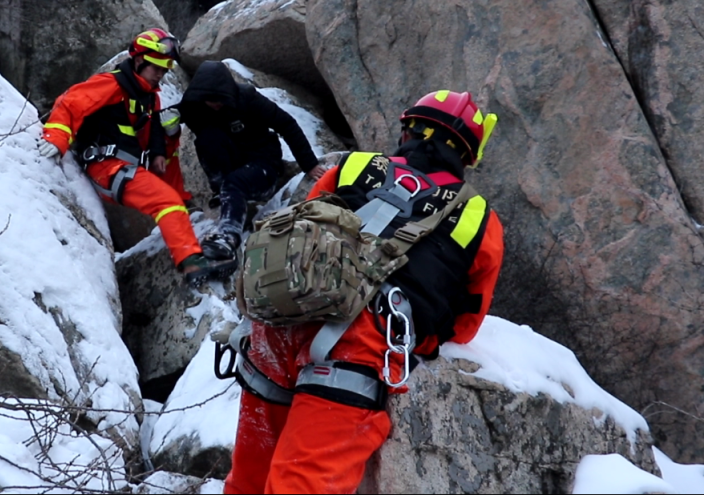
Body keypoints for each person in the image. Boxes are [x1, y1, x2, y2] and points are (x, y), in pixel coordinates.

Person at [222, 90, 505, 494]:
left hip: (280, 325)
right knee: (301, 485)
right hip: (359, 344)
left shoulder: (352, 165)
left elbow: (301, 238)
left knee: (248, 482)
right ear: (467, 156)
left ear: (407, 131)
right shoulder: (479, 218)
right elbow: (465, 325)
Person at [37, 29, 232, 285]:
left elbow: (151, 134)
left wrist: (163, 146)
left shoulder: (149, 98)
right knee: (166, 201)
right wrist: (57, 137)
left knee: (169, 164)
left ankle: (183, 211)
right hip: (106, 167)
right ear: (139, 60)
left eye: (164, 70)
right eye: (156, 69)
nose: (160, 75)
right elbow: (70, 102)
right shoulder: (112, 84)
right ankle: (192, 264)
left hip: (125, 166)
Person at [176, 60, 325, 266]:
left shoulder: (247, 98)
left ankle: (229, 237)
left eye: (220, 99)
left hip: (263, 165)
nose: (216, 104)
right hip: (233, 164)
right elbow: (166, 119)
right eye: (211, 100)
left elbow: (287, 124)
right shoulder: (195, 105)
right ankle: (223, 191)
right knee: (207, 139)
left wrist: (310, 164)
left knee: (234, 183)